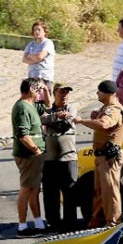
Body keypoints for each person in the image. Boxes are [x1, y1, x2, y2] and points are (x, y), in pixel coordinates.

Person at [70, 81, 123, 228]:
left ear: (108, 93)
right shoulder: (105, 108)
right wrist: (96, 116)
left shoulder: (113, 110)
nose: (97, 94)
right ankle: (98, 222)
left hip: (109, 158)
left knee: (110, 193)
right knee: (100, 194)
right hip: (102, 157)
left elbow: (104, 124)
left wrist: (81, 121)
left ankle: (112, 224)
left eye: (100, 91)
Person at [39, 84, 79, 232]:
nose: (65, 95)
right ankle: (53, 222)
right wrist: (55, 116)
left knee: (70, 192)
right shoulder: (48, 111)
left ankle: (70, 223)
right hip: (50, 159)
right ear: (54, 93)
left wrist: (53, 120)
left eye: (67, 92)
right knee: (50, 193)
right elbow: (41, 120)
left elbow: (66, 124)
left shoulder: (72, 109)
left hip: (68, 158)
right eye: (62, 92)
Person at [12, 77, 48, 236]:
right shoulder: (22, 107)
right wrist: (35, 150)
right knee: (26, 189)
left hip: (35, 155)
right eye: (38, 90)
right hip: (28, 155)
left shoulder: (32, 105)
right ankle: (22, 226)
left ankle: (39, 223)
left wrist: (46, 89)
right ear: (31, 90)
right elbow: (22, 134)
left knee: (35, 189)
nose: (40, 93)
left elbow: (48, 104)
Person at [22, 20, 56, 107]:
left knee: (45, 102)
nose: (36, 32)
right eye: (34, 30)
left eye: (39, 29)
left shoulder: (48, 43)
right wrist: (35, 58)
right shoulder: (31, 44)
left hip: (44, 77)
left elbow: (40, 57)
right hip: (33, 77)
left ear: (44, 32)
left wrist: (31, 56)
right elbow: (24, 59)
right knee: (33, 101)